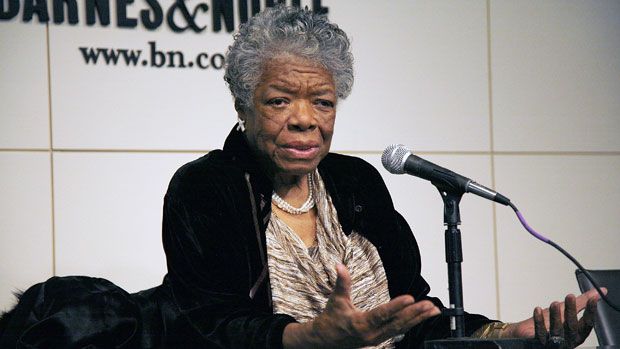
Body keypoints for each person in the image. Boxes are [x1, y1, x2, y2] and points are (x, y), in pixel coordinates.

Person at [0, 5, 603, 349]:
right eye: (280, 100)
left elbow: (410, 312)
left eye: (323, 102)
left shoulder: (359, 183)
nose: (305, 122)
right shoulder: (206, 188)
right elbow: (207, 329)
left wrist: (511, 333)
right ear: (243, 105)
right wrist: (315, 338)